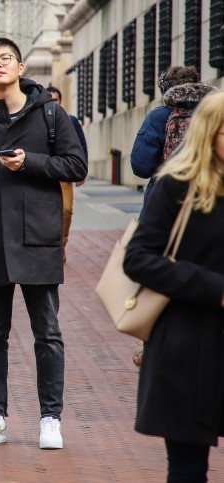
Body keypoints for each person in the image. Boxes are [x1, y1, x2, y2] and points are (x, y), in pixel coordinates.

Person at [0, 37, 87, 450]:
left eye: (5, 59)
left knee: (47, 330)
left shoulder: (50, 115)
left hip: (38, 239)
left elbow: (75, 165)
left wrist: (31, 162)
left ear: (21, 68)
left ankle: (50, 418)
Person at [123, 90, 224, 483]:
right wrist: (213, 288)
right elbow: (139, 258)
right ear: (208, 134)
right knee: (187, 469)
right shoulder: (176, 186)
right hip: (187, 345)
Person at [130, 66, 200, 206]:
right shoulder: (210, 113)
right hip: (205, 196)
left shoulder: (159, 116)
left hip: (164, 196)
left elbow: (141, 166)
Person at [45, 86, 89, 263]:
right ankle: (48, 247)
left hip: (64, 172)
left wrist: (82, 171)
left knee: (66, 210)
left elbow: (81, 145)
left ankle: (61, 245)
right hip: (44, 173)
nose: (53, 103)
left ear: (60, 101)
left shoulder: (70, 120)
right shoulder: (38, 120)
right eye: (50, 99)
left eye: (55, 100)